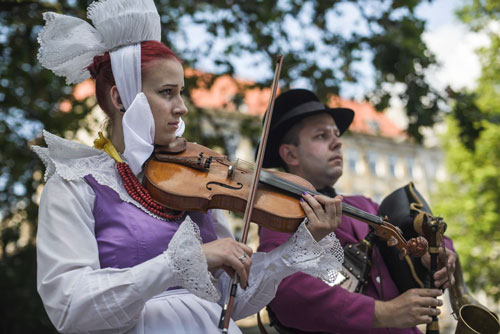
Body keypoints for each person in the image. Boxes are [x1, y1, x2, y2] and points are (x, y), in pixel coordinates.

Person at [32, 2, 345, 333]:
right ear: (120, 98)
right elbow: (70, 307)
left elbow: (230, 303)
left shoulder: (196, 183)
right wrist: (182, 262)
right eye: (167, 93)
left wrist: (294, 249)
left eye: (181, 93)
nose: (181, 108)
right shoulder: (75, 183)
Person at [258, 89, 458, 334]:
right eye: (322, 136)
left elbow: (425, 230)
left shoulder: (365, 206)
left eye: (336, 134)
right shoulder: (278, 215)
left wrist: (440, 253)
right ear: (290, 154)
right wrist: (384, 312)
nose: (337, 142)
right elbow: (286, 293)